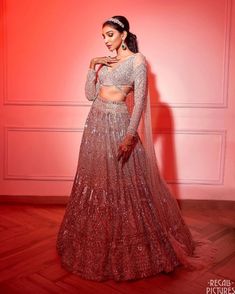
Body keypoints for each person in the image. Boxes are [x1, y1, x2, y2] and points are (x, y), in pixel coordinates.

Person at [56, 15, 217, 282]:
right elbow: (89, 95)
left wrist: (130, 135)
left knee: (128, 188)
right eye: (103, 36)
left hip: (119, 124)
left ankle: (134, 247)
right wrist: (92, 66)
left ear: (123, 34)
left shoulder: (138, 61)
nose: (106, 41)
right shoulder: (105, 63)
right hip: (94, 124)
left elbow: (140, 100)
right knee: (99, 184)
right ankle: (99, 243)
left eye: (109, 35)